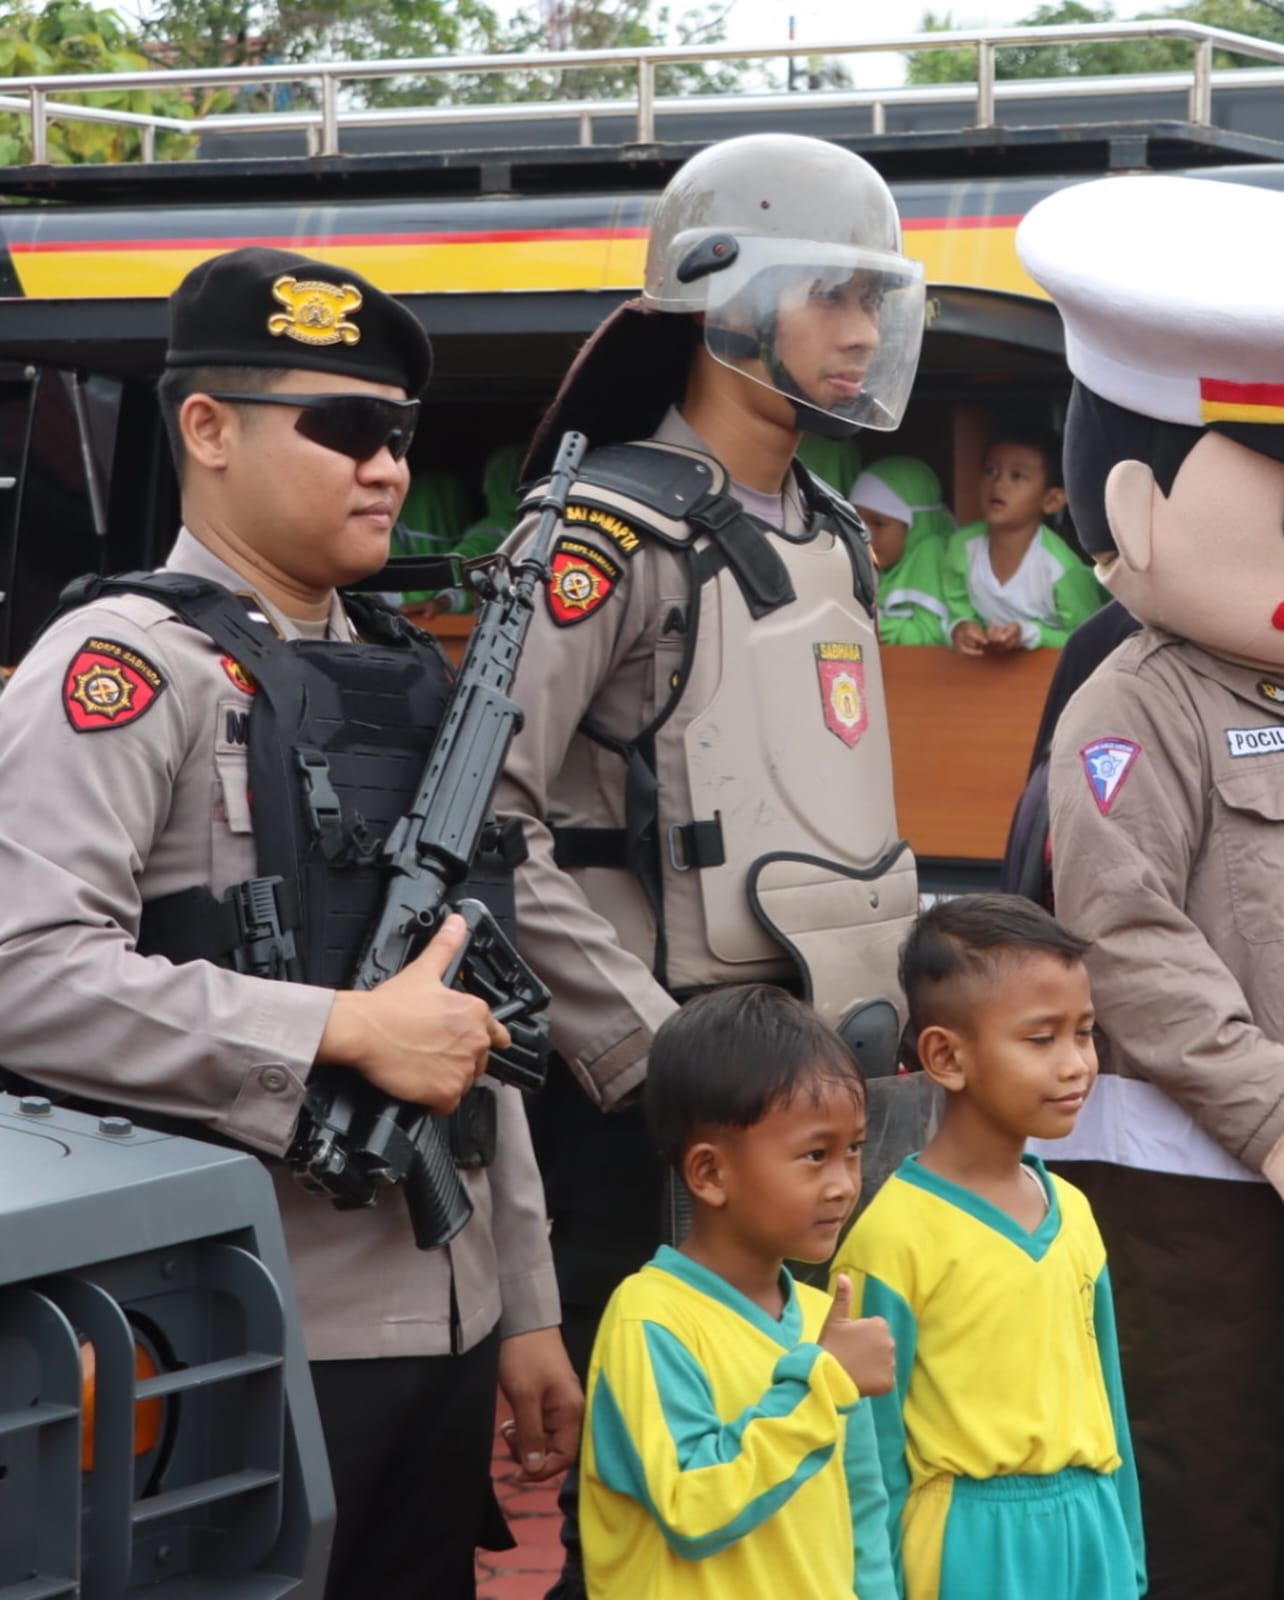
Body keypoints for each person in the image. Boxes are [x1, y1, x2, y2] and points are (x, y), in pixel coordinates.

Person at [0, 245, 581, 1600]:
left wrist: (526, 1304)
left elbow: (469, 1010)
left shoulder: (408, 673)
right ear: (208, 430)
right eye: (345, 427)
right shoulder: (126, 668)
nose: (387, 467)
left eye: (399, 436)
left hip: (445, 1322)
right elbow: (22, 971)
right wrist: (335, 1028)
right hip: (235, 1330)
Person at [493, 130, 929, 1599]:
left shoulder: (835, 534)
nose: (861, 331)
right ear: (724, 297)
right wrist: (651, 1055)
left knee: (815, 1477)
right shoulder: (601, 531)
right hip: (661, 1095)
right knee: (657, 1507)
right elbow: (491, 824)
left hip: (814, 1084)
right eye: (831, 294)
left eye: (876, 300)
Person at [1017, 172, 1284, 1599]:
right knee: (1210, 1490)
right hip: (1194, 1189)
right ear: (1137, 505)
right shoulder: (1134, 703)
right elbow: (1123, 935)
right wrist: (1272, 1110)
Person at [833, 895, 1145, 1600]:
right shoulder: (892, 1237)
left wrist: (1126, 1553)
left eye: (1084, 1033)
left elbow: (1110, 1398)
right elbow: (869, 1450)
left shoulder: (1075, 1213)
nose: (1077, 1064)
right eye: (1041, 1039)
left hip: (1089, 1534)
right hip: (967, 1549)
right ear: (946, 1056)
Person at [580, 983, 897, 1599]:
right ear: (710, 1172)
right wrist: (821, 1386)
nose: (843, 1183)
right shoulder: (650, 1321)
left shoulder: (823, 1319)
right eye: (815, 1155)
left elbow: (863, 1510)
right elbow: (693, 1508)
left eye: (853, 1149)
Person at [944, 425, 1105, 655]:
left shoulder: (1061, 568)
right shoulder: (961, 546)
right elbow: (955, 610)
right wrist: (959, 628)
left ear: (1052, 500)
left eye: (1017, 476)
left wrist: (1029, 634)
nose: (998, 483)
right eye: (990, 470)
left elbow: (1089, 640)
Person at [850, 455, 955, 646]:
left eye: (878, 523)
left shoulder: (931, 554)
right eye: (858, 522)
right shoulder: (871, 565)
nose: (866, 535)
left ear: (915, 525)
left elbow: (929, 637)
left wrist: (866, 621)